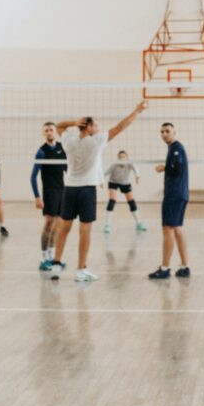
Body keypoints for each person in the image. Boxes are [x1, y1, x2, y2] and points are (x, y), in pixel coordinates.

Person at [50, 102, 148, 282]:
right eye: (95, 124)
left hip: (70, 189)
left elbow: (59, 126)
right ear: (88, 128)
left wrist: (74, 122)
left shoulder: (68, 140)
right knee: (84, 231)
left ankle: (56, 264)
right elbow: (120, 127)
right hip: (87, 190)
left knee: (64, 229)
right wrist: (137, 111)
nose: (98, 127)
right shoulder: (97, 140)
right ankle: (81, 270)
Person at [148, 123, 190, 279]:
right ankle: (185, 266)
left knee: (168, 229)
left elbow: (177, 167)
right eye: (162, 132)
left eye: (167, 131)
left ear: (174, 132)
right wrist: (166, 167)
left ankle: (165, 268)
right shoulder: (173, 148)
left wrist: (164, 167)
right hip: (180, 194)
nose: (164, 134)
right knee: (177, 229)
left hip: (174, 194)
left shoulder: (176, 148)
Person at [30, 121, 67, 271]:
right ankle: (44, 258)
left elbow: (67, 170)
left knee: (58, 226)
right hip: (49, 191)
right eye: (46, 130)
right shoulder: (41, 152)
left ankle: (52, 258)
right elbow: (33, 177)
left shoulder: (61, 148)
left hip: (62, 190)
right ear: (43, 133)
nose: (49, 132)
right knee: (48, 224)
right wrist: (37, 197)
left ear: (55, 132)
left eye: (51, 130)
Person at [103, 150, 146, 234]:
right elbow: (106, 173)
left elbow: (135, 169)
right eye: (120, 157)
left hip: (125, 183)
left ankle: (138, 223)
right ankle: (107, 224)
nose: (122, 158)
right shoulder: (114, 165)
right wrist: (100, 181)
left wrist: (137, 176)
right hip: (113, 182)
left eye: (123, 157)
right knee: (112, 201)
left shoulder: (129, 163)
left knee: (131, 201)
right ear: (118, 158)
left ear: (127, 158)